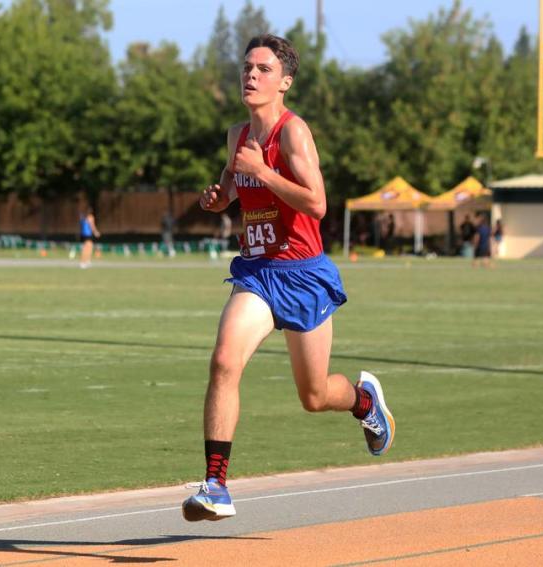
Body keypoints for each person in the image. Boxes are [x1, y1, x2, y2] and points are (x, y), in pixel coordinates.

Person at [183, 34, 395, 522]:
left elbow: (317, 204)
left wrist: (264, 170)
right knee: (223, 362)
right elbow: (234, 187)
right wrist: (219, 199)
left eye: (262, 69)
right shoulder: (237, 135)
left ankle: (364, 401)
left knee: (315, 396)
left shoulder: (293, 133)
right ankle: (215, 484)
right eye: (246, 67)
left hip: (303, 274)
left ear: (285, 82)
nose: (251, 76)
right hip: (257, 272)